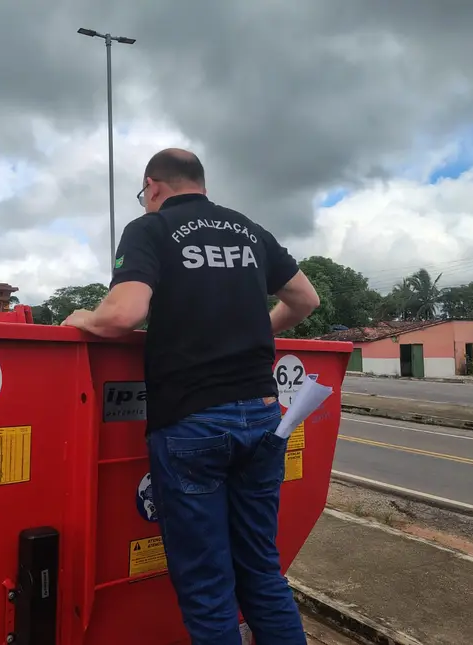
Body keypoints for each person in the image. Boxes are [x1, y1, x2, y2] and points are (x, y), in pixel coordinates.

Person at [62, 148, 320, 645]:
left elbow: (123, 314)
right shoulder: (248, 229)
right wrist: (252, 337)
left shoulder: (150, 229)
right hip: (264, 416)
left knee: (207, 586)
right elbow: (305, 300)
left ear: (153, 186)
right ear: (200, 183)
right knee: (263, 571)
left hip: (193, 423)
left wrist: (83, 319)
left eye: (144, 195)